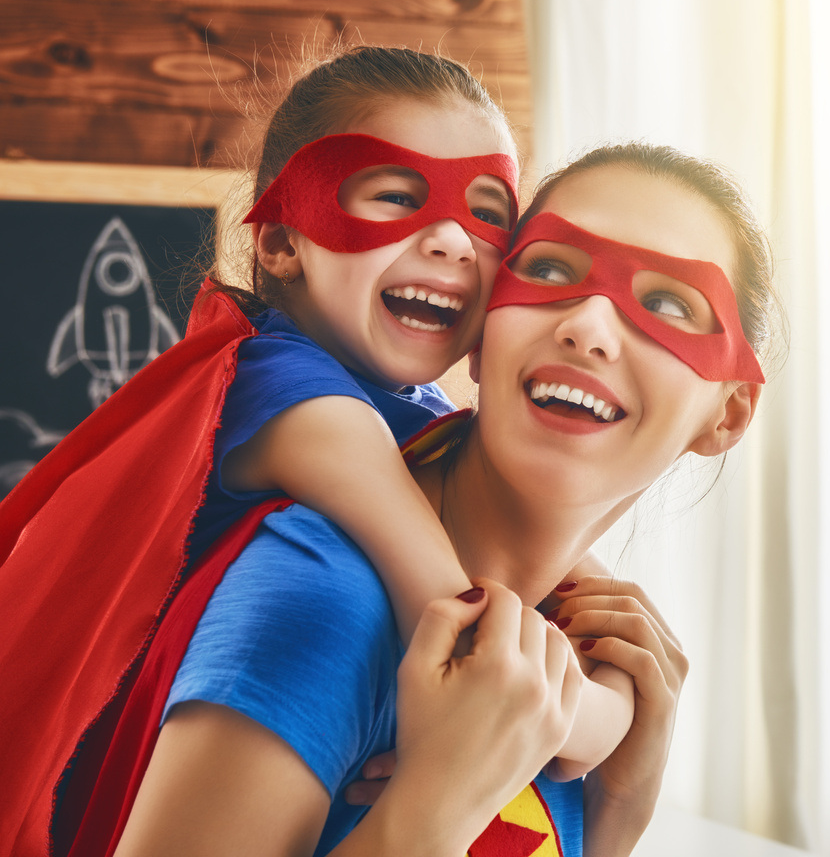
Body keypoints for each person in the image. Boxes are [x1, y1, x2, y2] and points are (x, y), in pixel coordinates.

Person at [0, 46, 625, 855]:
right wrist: (613, 714)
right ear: (282, 243)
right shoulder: (287, 392)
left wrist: (609, 654)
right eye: (397, 196)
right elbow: (463, 628)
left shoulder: (423, 414)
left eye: (489, 213)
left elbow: (556, 576)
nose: (453, 241)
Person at [97, 140, 782, 856]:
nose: (587, 327)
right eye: (549, 268)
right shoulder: (324, 595)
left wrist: (618, 815)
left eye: (670, 303)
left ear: (728, 414)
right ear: (484, 337)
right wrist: (430, 810)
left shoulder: (584, 653)